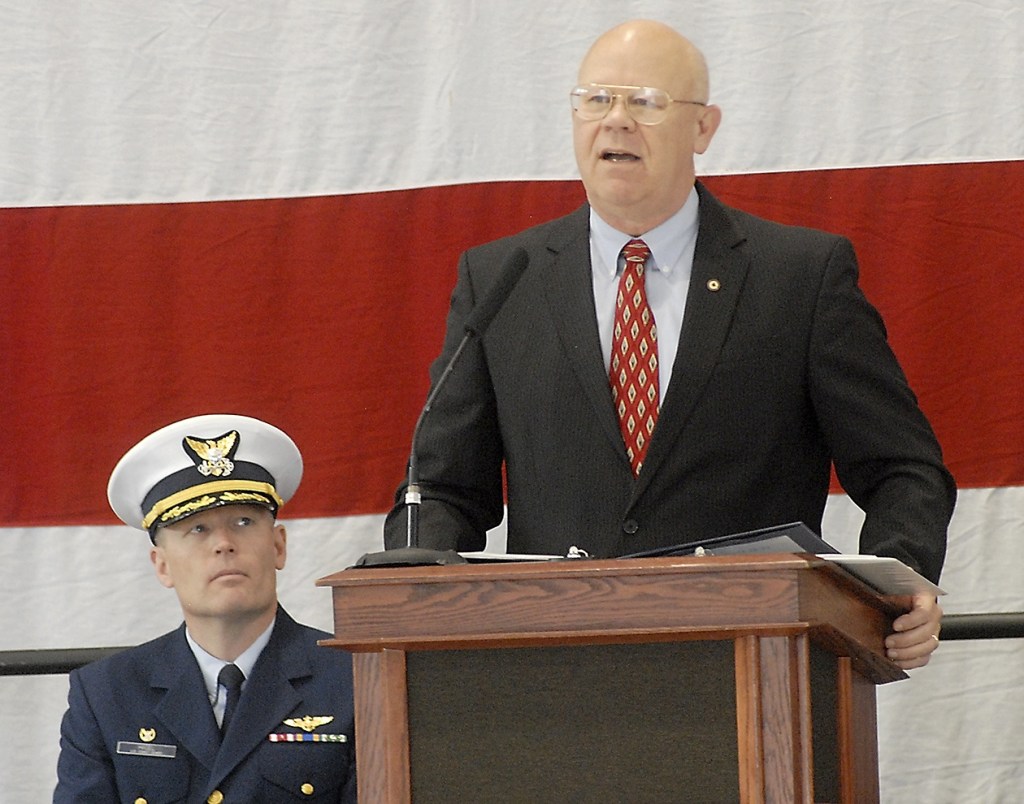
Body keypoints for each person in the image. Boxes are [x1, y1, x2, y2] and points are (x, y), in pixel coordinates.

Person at [384, 19, 955, 670]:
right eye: (596, 100)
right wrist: (409, 583)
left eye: (646, 102)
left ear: (704, 128)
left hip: (758, 665)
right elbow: (440, 487)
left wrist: (900, 577)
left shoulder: (798, 277)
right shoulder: (501, 279)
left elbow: (903, 469)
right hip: (550, 676)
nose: (616, 120)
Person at [55, 414, 357, 803]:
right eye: (197, 529)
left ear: (279, 545)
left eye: (244, 521)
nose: (224, 544)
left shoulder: (355, 679)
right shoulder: (106, 694)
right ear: (161, 565)